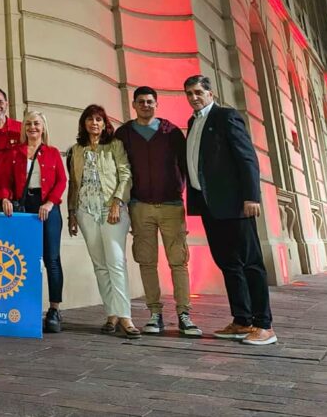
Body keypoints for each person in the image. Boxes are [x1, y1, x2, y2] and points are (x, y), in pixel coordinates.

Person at [184, 75, 276, 345]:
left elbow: (247, 157)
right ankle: (242, 320)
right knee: (228, 264)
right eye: (189, 93)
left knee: (250, 264)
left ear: (210, 93)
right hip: (210, 206)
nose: (193, 97)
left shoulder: (226, 116)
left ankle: (264, 325)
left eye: (198, 92)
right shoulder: (193, 121)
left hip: (236, 204)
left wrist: (251, 196)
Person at [115, 86, 202, 337]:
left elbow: (187, 166)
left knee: (178, 261)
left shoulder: (171, 132)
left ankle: (184, 314)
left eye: (150, 101)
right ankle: (154, 313)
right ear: (134, 105)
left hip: (171, 206)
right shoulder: (124, 133)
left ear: (156, 104)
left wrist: (187, 195)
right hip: (140, 206)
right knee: (146, 261)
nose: (146, 105)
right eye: (141, 102)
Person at [67, 104, 139, 338]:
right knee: (99, 265)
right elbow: (74, 183)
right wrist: (72, 214)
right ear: (84, 123)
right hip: (86, 211)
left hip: (112, 209)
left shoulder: (114, 145)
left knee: (116, 261)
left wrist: (118, 202)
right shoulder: (76, 150)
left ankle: (125, 317)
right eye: (90, 119)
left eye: (98, 119)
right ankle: (112, 314)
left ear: (104, 123)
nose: (94, 123)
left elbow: (125, 174)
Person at [0, 110, 68, 333]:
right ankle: (26, 308)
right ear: (23, 128)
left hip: (47, 207)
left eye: (36, 123)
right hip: (24, 207)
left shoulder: (52, 152)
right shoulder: (15, 152)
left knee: (52, 259)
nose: (32, 127)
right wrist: (6, 198)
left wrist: (50, 203)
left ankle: (54, 310)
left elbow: (61, 181)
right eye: (28, 123)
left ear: (43, 127)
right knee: (24, 259)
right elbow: (6, 181)